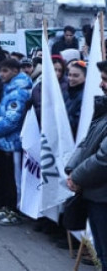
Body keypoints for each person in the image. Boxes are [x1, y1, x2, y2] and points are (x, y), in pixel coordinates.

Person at [66, 60, 107, 268]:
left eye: (105, 80)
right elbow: (87, 141)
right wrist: (72, 168)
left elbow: (103, 158)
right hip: (95, 193)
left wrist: (77, 177)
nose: (101, 85)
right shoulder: (104, 109)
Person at [0, 58, 32, 226]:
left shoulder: (18, 92)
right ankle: (7, 206)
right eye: (1, 71)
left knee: (14, 180)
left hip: (14, 144)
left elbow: (12, 121)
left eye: (5, 71)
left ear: (14, 71)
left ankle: (16, 211)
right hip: (5, 143)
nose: (1, 75)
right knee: (5, 178)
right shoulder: (10, 88)